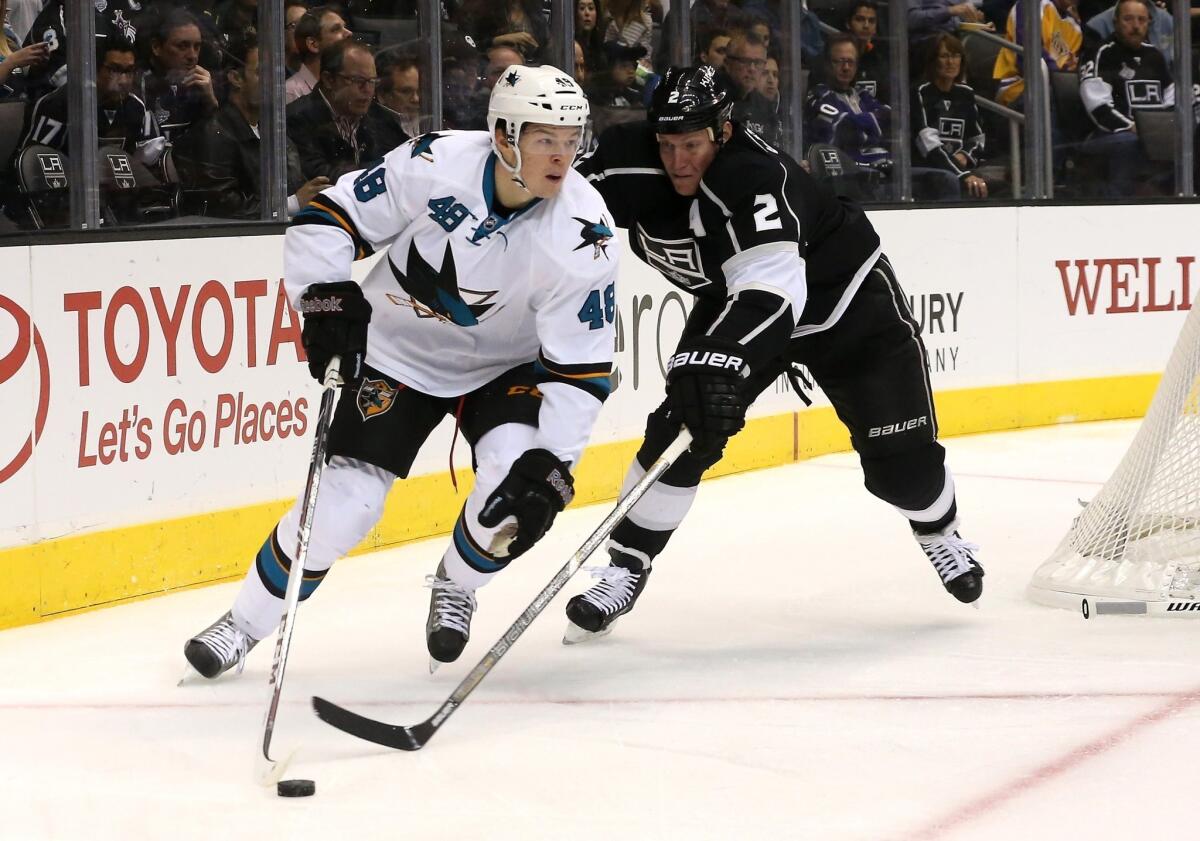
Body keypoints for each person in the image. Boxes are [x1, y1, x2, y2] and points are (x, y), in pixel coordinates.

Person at [183, 64, 620, 678]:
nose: (561, 156)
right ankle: (245, 623)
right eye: (545, 138)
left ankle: (457, 584)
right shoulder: (434, 163)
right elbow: (327, 220)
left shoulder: (585, 233)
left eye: (571, 140)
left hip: (505, 369)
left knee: (513, 489)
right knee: (346, 505)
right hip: (396, 354)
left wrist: (554, 465)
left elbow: (580, 371)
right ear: (503, 135)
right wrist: (325, 297)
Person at [567, 65, 983, 640]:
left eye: (691, 145)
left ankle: (940, 529)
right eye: (666, 145)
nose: (678, 160)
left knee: (901, 471)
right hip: (735, 300)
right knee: (683, 429)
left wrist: (719, 357)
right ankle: (624, 567)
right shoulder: (623, 159)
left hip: (844, 306)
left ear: (723, 131)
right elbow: (556, 211)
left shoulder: (755, 177)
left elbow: (775, 290)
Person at [174, 34, 331, 219]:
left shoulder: (274, 132)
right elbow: (221, 206)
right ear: (236, 78)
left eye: (277, 74)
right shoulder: (213, 135)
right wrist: (292, 204)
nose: (274, 83)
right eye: (262, 73)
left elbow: (297, 185)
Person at [1078, 0, 1174, 195]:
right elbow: (1098, 107)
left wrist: (1165, 128)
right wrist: (1133, 127)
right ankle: (1120, 205)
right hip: (1109, 135)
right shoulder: (1100, 53)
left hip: (1153, 136)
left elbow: (1171, 97)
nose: (1136, 26)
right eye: (1128, 19)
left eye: (1141, 20)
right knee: (1128, 143)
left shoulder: (1154, 56)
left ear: (1149, 23)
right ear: (1115, 22)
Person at [286, 39, 409, 182]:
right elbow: (322, 178)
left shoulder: (380, 117)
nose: (368, 91)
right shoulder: (297, 119)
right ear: (329, 80)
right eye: (358, 81)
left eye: (372, 82)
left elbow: (403, 162)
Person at [22, 36, 160, 156]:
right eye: (114, 70)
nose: (123, 81)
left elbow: (143, 166)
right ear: (93, 70)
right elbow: (37, 164)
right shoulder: (61, 104)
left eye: (129, 71)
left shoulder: (136, 108)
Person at [913, 33, 990, 198]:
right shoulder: (921, 92)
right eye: (944, 56)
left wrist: (965, 155)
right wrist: (962, 174)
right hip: (931, 167)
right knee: (951, 181)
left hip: (961, 164)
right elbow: (928, 145)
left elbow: (977, 139)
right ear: (933, 61)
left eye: (956, 56)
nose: (951, 62)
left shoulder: (966, 93)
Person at [805, 35, 891, 168]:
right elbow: (844, 128)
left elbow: (890, 118)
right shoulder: (818, 96)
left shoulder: (861, 94)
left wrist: (861, 125)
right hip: (849, 172)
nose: (846, 67)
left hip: (885, 166)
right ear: (827, 64)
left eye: (851, 62)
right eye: (839, 61)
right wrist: (873, 126)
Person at [137, 8, 219, 142]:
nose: (192, 56)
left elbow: (214, 146)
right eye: (182, 46)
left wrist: (211, 103)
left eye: (197, 47)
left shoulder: (202, 86)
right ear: (156, 47)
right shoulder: (137, 84)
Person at [993, 0, 1083, 109]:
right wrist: (1060, 76)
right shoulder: (1030, 6)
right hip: (1019, 85)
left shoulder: (1075, 28)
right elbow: (1029, 56)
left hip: (1054, 86)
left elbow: (1069, 65)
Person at [284, 5, 352, 104]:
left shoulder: (345, 89)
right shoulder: (290, 94)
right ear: (313, 44)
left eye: (344, 27)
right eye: (336, 29)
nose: (349, 33)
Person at [724, 29, 781, 146]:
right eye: (745, 61)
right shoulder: (712, 100)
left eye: (758, 63)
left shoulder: (765, 107)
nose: (752, 69)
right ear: (727, 64)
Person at [846, 0, 889, 102]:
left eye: (871, 21)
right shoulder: (833, 58)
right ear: (848, 23)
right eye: (860, 19)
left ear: (875, 28)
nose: (866, 25)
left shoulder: (882, 59)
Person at [376, 49, 423, 137]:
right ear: (382, 95)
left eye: (420, 91)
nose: (416, 99)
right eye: (406, 92)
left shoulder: (436, 124)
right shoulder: (373, 135)